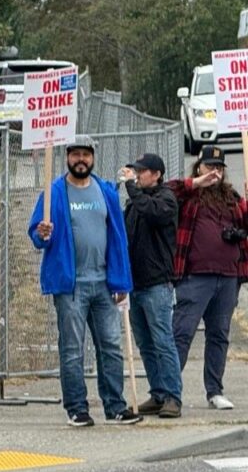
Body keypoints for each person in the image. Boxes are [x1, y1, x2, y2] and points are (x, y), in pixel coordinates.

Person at [28, 135, 141, 427]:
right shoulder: (53, 193)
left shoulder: (105, 192)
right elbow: (37, 236)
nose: (81, 160)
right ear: (67, 157)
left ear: (92, 158)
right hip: (71, 287)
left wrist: (121, 282)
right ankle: (77, 408)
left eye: (85, 155)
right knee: (72, 349)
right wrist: (42, 233)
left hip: (104, 283)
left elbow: (118, 239)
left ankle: (115, 406)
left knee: (111, 346)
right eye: (75, 154)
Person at [166, 146, 247, 411]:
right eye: (209, 166)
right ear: (199, 167)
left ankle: (215, 391)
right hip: (195, 277)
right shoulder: (188, 196)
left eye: (219, 168)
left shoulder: (232, 199)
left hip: (228, 277)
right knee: (182, 333)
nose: (215, 172)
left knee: (219, 335)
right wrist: (196, 183)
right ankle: (169, 392)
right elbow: (165, 191)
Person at [118, 153, 182, 418]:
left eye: (142, 172)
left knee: (162, 340)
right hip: (136, 282)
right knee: (145, 342)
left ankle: (172, 396)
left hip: (157, 283)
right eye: (135, 171)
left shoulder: (164, 198)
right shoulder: (134, 204)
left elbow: (153, 212)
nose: (137, 175)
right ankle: (157, 392)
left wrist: (132, 188)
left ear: (156, 174)